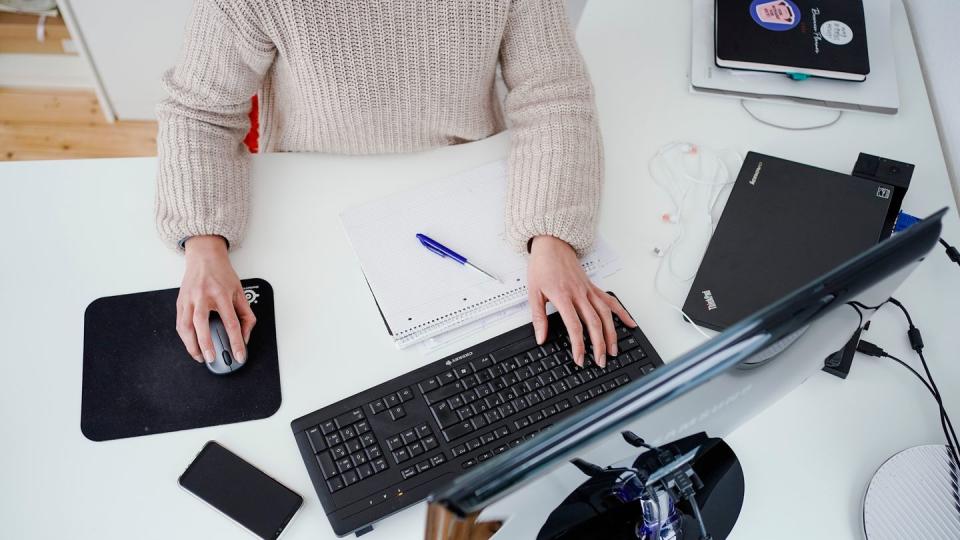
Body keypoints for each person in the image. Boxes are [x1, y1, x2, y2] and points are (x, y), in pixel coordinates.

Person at [156, 0, 636, 371]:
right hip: (314, 193)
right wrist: (204, 245)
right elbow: (201, 112)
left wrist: (551, 237)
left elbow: (552, 92)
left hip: (465, 180)